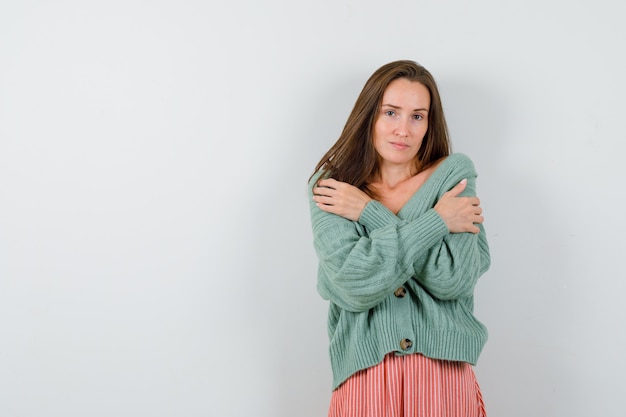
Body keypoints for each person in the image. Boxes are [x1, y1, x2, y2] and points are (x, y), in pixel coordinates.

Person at [308, 60, 491, 417]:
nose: (403, 130)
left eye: (417, 116)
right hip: (364, 376)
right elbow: (354, 282)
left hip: (444, 376)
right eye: (390, 112)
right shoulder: (333, 187)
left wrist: (368, 213)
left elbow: (453, 278)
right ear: (369, 116)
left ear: (429, 124)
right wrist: (438, 221)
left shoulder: (453, 174)